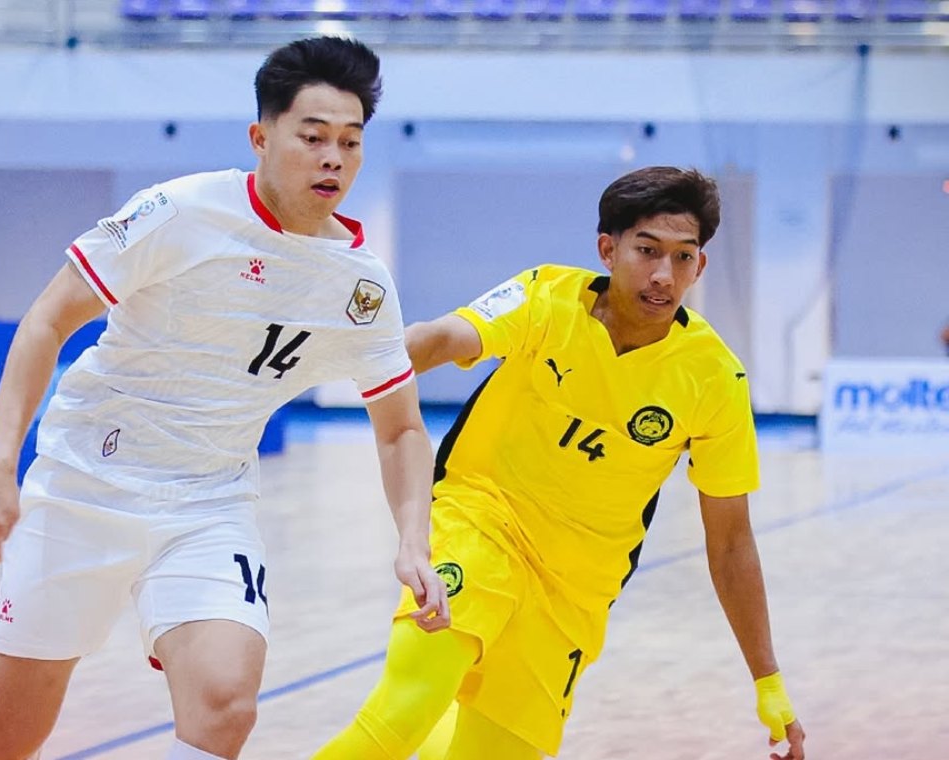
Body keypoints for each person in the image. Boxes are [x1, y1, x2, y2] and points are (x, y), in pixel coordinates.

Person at [0, 36, 450, 760]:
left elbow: (401, 429)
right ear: (261, 137)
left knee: (226, 707)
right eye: (313, 138)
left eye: (350, 141)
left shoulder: (361, 287)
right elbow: (48, 318)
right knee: (7, 741)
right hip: (84, 486)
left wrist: (413, 542)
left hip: (207, 506)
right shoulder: (179, 212)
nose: (333, 158)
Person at [314, 167, 806, 760]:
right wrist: (339, 356)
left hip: (574, 591)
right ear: (608, 248)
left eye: (683, 258)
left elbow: (730, 543)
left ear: (700, 266)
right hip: (482, 524)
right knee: (401, 715)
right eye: (647, 250)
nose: (662, 275)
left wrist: (767, 679)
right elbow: (447, 337)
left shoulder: (714, 378)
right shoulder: (546, 295)